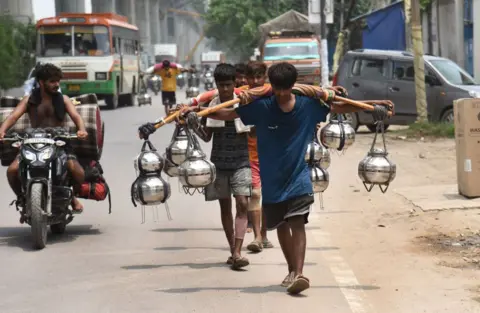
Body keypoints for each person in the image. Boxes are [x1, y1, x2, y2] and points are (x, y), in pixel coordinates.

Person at [176, 62, 392, 294]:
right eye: (276, 89)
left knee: (297, 222)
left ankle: (299, 273)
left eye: (284, 89)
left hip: (299, 176)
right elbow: (228, 113)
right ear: (272, 86)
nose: (280, 94)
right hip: (272, 179)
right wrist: (194, 113)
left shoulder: (308, 105)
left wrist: (373, 106)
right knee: (281, 225)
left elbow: (338, 107)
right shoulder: (262, 107)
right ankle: (291, 269)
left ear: (292, 86)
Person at [140, 64, 252, 270]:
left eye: (228, 85)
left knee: (243, 204)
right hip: (219, 162)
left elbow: (252, 131)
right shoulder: (211, 104)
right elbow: (207, 137)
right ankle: (232, 251)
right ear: (216, 85)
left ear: (235, 83)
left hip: (242, 162)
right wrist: (194, 123)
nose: (225, 89)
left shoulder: (244, 103)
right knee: (225, 207)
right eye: (221, 85)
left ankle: (238, 251)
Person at [0, 63, 88, 214]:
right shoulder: (29, 100)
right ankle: (22, 197)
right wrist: (1, 130)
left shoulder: (64, 99)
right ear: (41, 82)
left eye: (58, 81)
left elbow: (76, 116)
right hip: (33, 141)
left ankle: (71, 196)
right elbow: (13, 116)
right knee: (12, 171)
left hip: (59, 141)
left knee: (77, 171)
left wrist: (82, 129)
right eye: (52, 81)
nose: (56, 85)